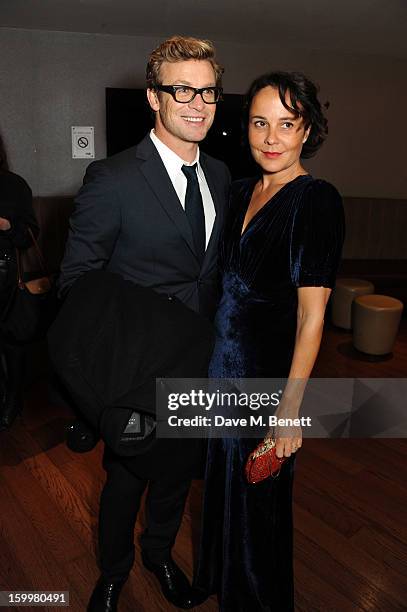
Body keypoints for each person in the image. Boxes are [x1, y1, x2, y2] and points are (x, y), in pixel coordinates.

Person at [57, 36, 230, 611]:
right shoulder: (112, 178)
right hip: (135, 370)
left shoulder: (224, 176)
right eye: (182, 89)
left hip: (200, 364)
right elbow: (77, 283)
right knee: (126, 478)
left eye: (207, 90)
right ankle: (113, 569)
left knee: (179, 471)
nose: (197, 103)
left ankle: (158, 552)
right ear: (155, 97)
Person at [194, 71, 345, 611]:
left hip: (267, 378)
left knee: (259, 500)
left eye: (287, 123)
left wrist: (291, 408)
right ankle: (219, 579)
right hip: (221, 369)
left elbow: (312, 318)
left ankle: (257, 599)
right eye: (261, 122)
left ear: (307, 131)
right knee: (222, 486)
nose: (272, 137)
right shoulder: (239, 192)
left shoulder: (315, 200)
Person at [0, 133, 39, 431]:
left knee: (13, 340)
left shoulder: (13, 185)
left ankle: (13, 398)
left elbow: (29, 236)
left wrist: (7, 225)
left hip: (6, 278)